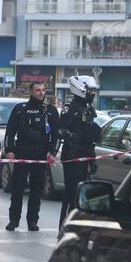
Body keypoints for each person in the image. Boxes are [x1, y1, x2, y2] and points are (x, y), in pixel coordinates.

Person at [4, 81, 60, 232]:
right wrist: (9, 150)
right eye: (37, 90)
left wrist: (53, 153)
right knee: (18, 189)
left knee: (37, 189)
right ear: (30, 92)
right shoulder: (20, 109)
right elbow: (10, 131)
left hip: (41, 154)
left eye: (43, 90)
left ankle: (32, 221)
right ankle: (13, 220)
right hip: (22, 152)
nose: (41, 93)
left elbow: (56, 135)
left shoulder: (50, 110)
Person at [58, 76, 102, 226]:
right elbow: (61, 129)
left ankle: (77, 225)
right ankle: (63, 227)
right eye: (89, 90)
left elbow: (90, 136)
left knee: (82, 195)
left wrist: (93, 158)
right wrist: (72, 136)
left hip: (86, 155)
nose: (91, 93)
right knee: (71, 194)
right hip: (73, 155)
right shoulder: (70, 107)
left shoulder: (88, 108)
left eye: (92, 90)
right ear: (80, 89)